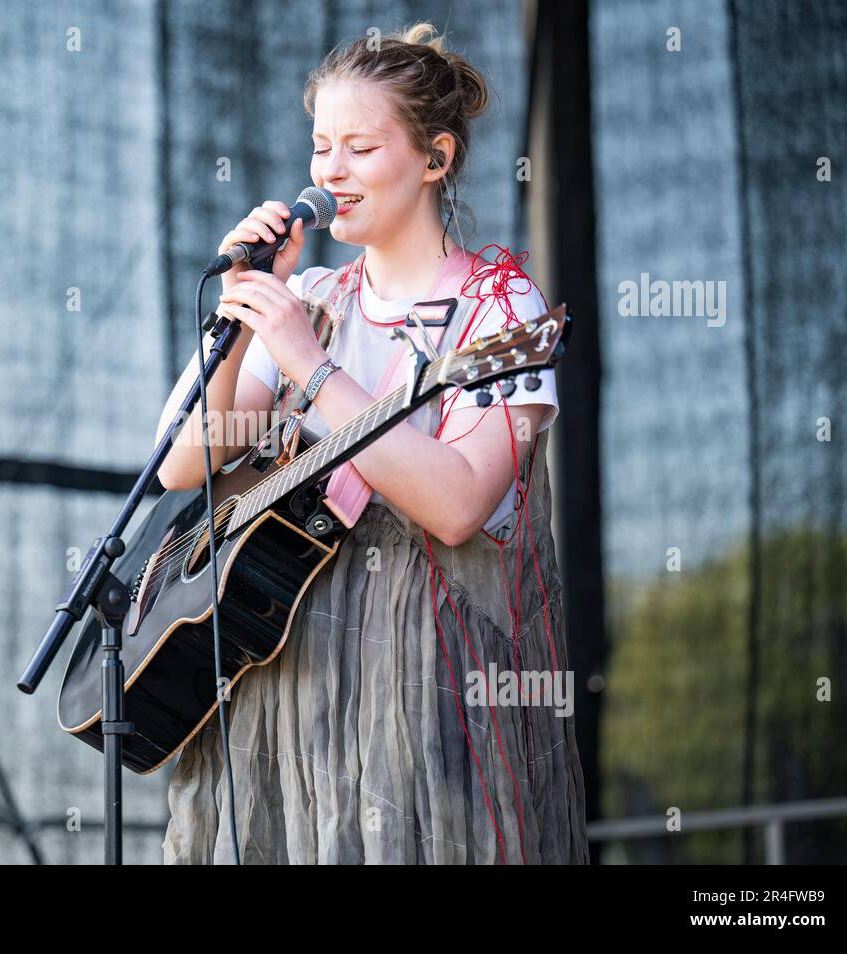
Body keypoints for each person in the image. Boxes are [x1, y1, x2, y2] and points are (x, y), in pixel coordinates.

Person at [153, 22, 588, 864]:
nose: (328, 172)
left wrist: (311, 372)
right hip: (280, 698)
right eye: (321, 146)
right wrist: (248, 309)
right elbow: (181, 462)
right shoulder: (311, 296)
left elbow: (459, 503)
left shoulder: (500, 306)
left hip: (426, 709)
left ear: (434, 159)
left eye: (359, 146)